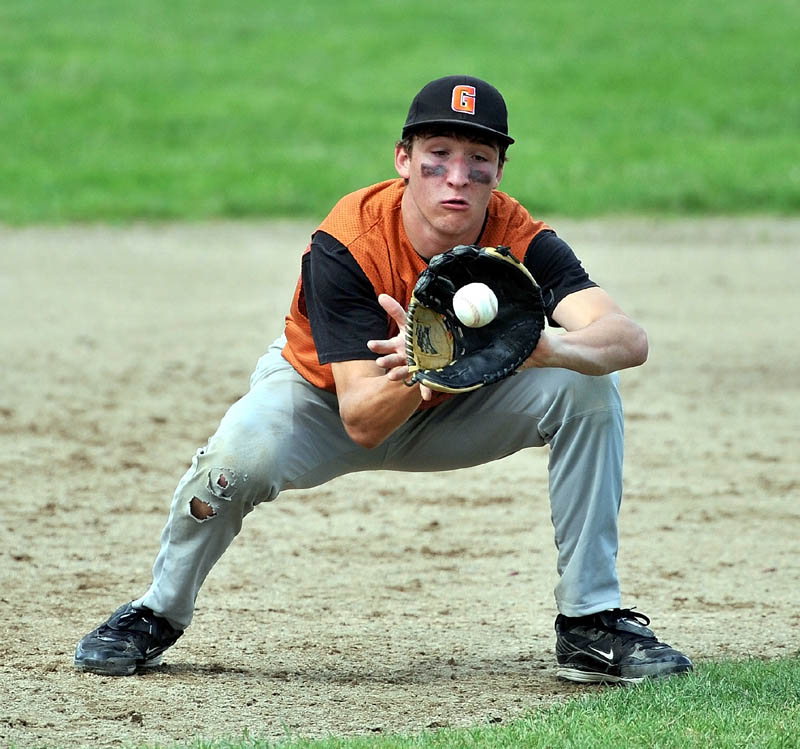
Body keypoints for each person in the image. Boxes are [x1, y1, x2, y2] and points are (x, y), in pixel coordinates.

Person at [74, 75, 692, 684]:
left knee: (588, 389)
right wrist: (436, 360)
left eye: (479, 159)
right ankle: (159, 609)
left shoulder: (515, 236)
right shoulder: (348, 241)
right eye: (438, 156)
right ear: (403, 159)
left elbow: (627, 341)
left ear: (499, 171)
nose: (458, 177)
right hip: (321, 403)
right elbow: (363, 420)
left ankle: (590, 622)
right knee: (235, 460)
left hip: (455, 412)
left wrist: (539, 345)